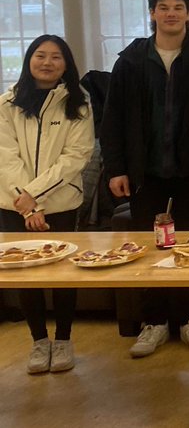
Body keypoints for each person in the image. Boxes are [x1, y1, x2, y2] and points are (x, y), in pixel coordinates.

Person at [100, 0, 189, 358]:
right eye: (163, 7)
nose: (171, 13)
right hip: (144, 174)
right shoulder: (130, 61)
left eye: (179, 7)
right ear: (152, 14)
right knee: (151, 250)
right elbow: (111, 120)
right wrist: (115, 168)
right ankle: (155, 322)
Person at [0, 36, 94, 373]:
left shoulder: (78, 104)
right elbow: (4, 158)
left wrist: (36, 197)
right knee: (26, 276)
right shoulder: (6, 103)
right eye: (40, 55)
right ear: (29, 60)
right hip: (14, 205)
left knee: (63, 275)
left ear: (66, 65)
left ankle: (64, 339)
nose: (47, 62)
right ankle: (39, 342)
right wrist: (26, 205)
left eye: (56, 57)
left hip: (61, 203)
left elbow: (76, 156)